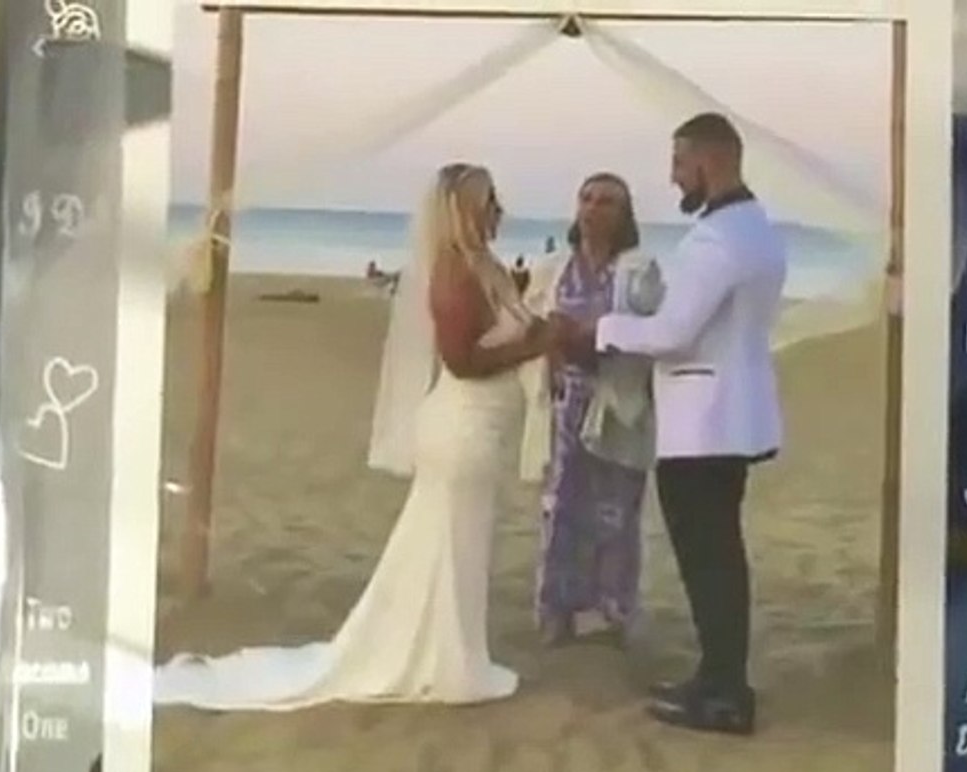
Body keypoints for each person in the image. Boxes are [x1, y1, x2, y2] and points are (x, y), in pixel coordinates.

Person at [155, 163, 552, 709]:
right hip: (463, 428)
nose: (497, 209)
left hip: (482, 429)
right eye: (486, 202)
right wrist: (536, 345)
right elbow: (462, 361)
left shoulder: (486, 266)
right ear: (462, 211)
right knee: (452, 544)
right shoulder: (454, 273)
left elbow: (499, 330)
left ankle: (454, 653)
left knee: (458, 547)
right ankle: (446, 662)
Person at [554, 113, 786, 735]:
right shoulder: (758, 228)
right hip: (733, 414)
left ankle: (724, 693)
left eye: (680, 163)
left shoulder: (716, 240)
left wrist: (599, 329)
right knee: (719, 554)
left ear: (708, 161)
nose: (674, 176)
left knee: (708, 558)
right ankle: (717, 677)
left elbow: (672, 333)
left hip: (704, 422)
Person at [517, 173, 657, 646]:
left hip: (617, 402)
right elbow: (532, 327)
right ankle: (557, 610)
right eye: (587, 198)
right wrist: (554, 348)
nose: (594, 208)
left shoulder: (639, 270)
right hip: (565, 404)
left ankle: (611, 611)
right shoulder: (553, 269)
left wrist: (591, 337)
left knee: (616, 511)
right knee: (561, 507)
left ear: (625, 214)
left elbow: (653, 336)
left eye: (607, 201)